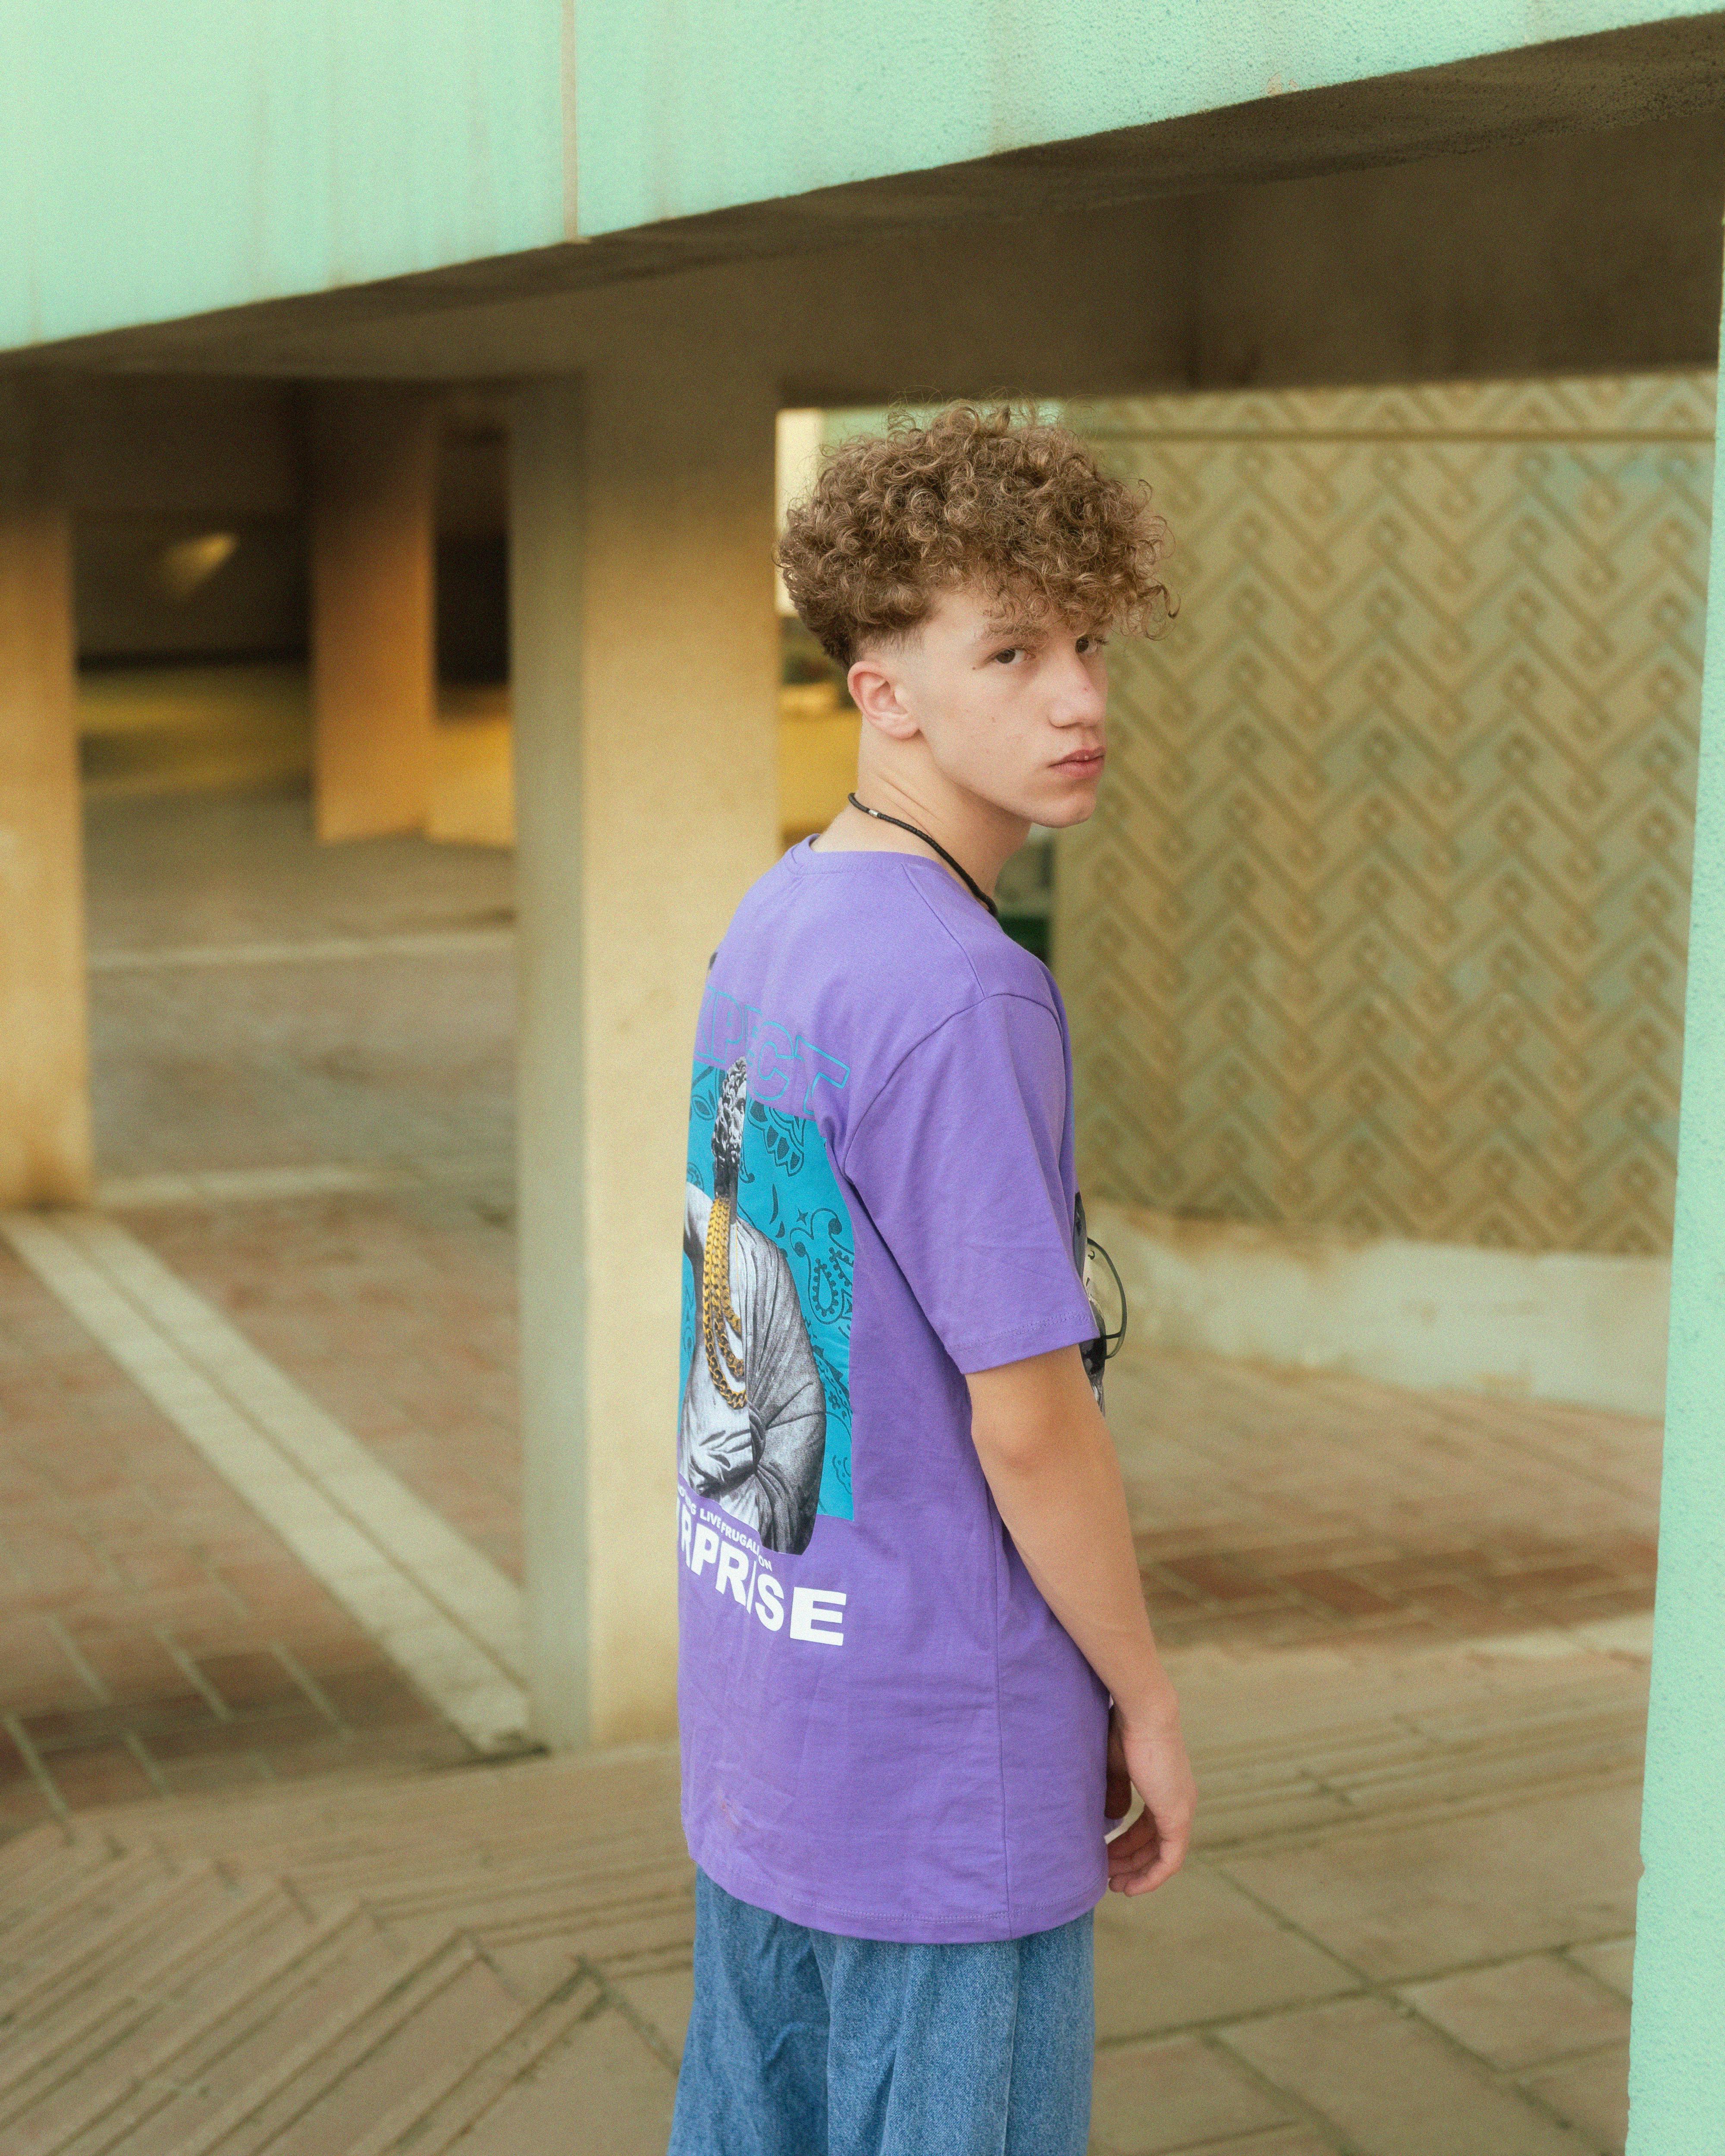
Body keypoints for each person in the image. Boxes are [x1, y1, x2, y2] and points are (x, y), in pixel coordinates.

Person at [668, 404, 1195, 2156]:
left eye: (1088, 642)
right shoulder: (966, 992)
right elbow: (1028, 1419)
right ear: (882, 684)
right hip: (940, 1768)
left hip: (772, 1728)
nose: (1079, 696)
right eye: (1012, 649)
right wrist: (1141, 1691)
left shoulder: (785, 908)